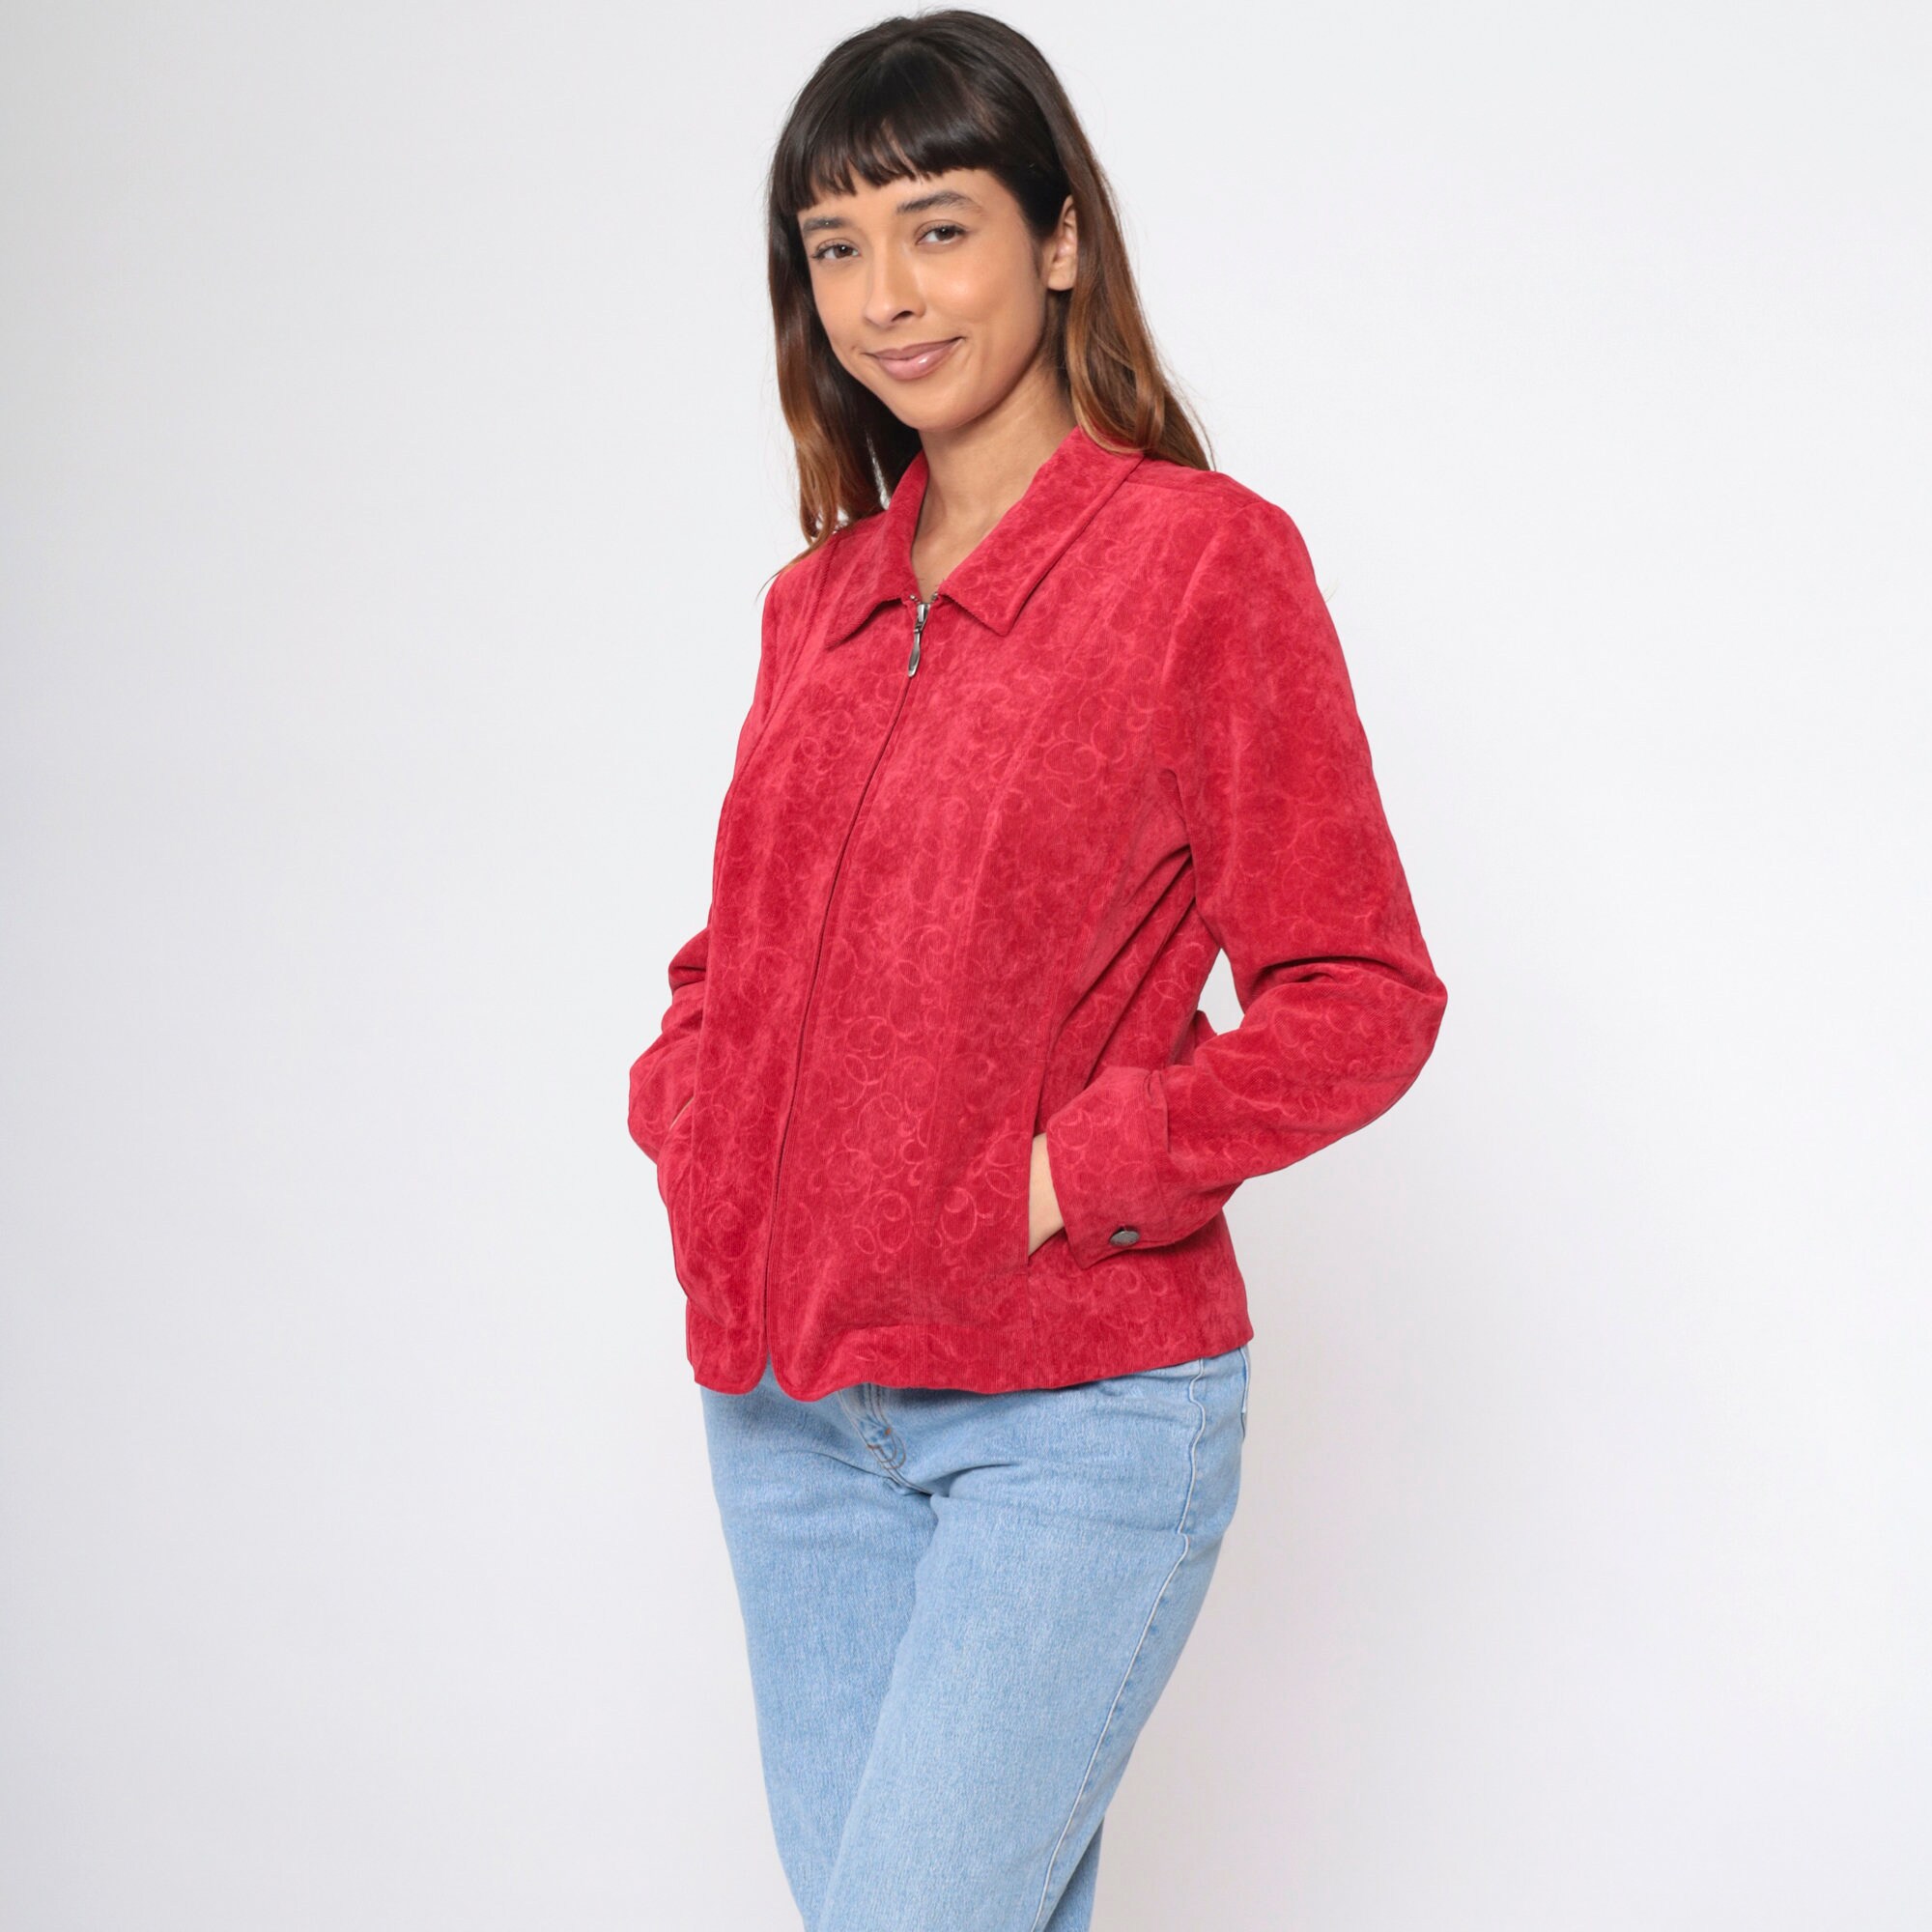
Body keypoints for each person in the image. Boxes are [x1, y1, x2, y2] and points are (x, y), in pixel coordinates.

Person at [626, 13, 1448, 1928]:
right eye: (836, 248)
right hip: (790, 1418)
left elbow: (1361, 989)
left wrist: (1079, 1172)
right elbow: (735, 953)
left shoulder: (1201, 566)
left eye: (939, 228)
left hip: (1068, 1410)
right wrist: (702, 1136)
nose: (887, 298)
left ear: (1059, 236)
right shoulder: (816, 604)